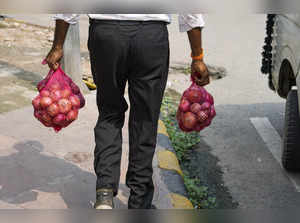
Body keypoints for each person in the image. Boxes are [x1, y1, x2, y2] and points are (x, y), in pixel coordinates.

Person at [45, 14, 209, 209]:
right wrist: (197, 56)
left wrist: (57, 46)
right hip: (151, 37)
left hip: (106, 35)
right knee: (145, 119)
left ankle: (104, 194)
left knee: (109, 112)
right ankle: (139, 201)